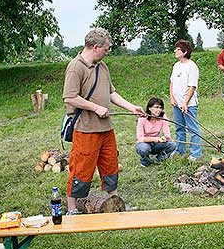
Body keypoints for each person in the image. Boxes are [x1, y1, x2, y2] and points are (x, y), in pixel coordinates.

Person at [63, 28, 145, 215]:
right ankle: (72, 209)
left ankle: (114, 203)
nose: (107, 52)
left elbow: (111, 92)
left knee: (110, 166)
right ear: (95, 46)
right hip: (85, 129)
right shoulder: (76, 67)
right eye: (106, 48)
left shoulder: (102, 66)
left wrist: (131, 107)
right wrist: (95, 107)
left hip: (106, 128)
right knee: (81, 169)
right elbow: (70, 97)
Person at [169, 39, 202, 161]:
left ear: (185, 51)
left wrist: (185, 103)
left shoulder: (192, 66)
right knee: (179, 128)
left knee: (193, 129)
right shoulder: (176, 65)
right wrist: (172, 98)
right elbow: (171, 82)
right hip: (176, 104)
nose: (175, 51)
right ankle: (180, 150)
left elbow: (192, 86)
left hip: (189, 105)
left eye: (177, 49)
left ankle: (196, 154)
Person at [136, 97, 176, 167]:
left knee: (172, 144)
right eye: (156, 107)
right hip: (144, 143)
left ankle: (159, 160)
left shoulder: (162, 117)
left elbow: (167, 134)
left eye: (160, 108)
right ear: (149, 108)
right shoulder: (142, 118)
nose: (159, 110)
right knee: (143, 149)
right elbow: (140, 138)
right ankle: (145, 162)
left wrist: (165, 137)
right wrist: (156, 139)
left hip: (156, 144)